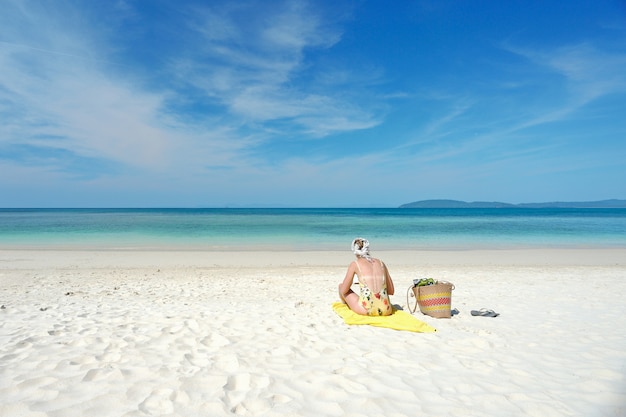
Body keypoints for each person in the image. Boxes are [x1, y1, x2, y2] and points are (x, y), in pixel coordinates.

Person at [338, 237, 395, 316]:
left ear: (355, 251)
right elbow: (391, 291)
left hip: (366, 310)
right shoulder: (381, 263)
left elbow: (344, 290)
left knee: (341, 286)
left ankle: (344, 305)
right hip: (386, 310)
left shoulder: (355, 264)